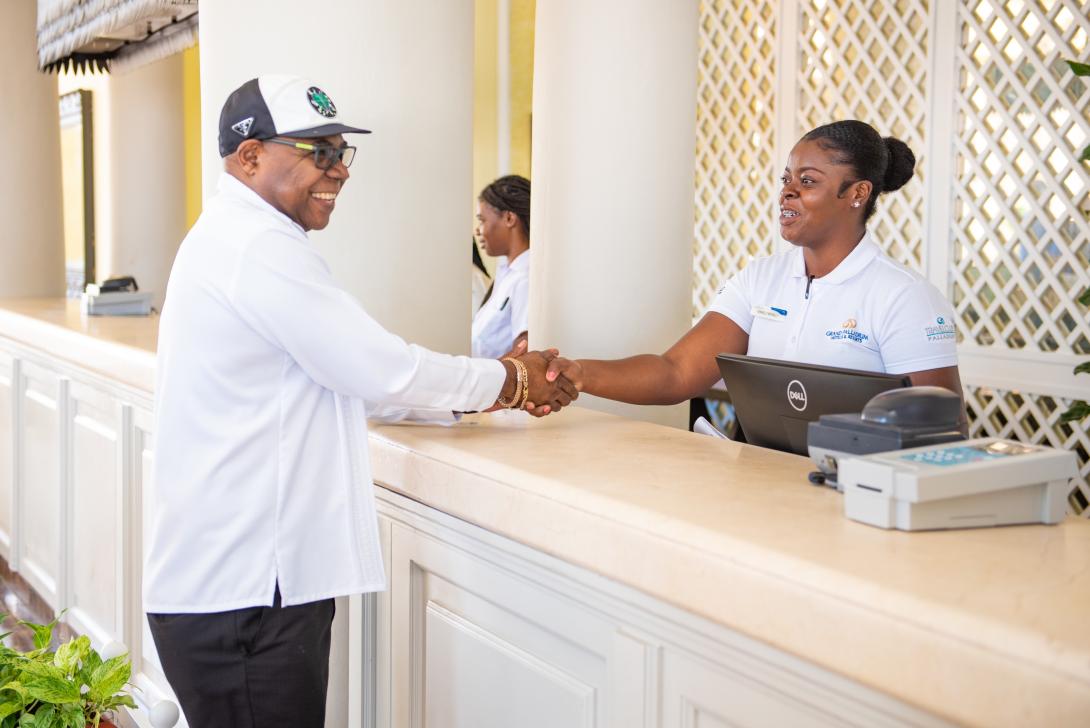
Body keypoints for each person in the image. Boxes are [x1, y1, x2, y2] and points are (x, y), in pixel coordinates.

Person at [143, 75, 576, 727]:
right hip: (245, 596)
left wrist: (492, 393)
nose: (339, 169)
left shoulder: (240, 239)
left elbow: (348, 380)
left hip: (241, 587)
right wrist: (513, 380)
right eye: (318, 151)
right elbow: (384, 370)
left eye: (342, 151)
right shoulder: (256, 246)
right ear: (251, 156)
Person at [541, 120, 962, 415]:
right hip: (760, 496)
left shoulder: (905, 297)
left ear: (857, 193)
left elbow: (940, 429)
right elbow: (676, 373)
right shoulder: (759, 280)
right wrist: (579, 374)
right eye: (786, 179)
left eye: (808, 181)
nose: (788, 193)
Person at [472, 174, 531, 358]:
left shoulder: (526, 278)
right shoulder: (506, 274)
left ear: (509, 218)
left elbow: (522, 355)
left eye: (482, 220)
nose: (478, 230)